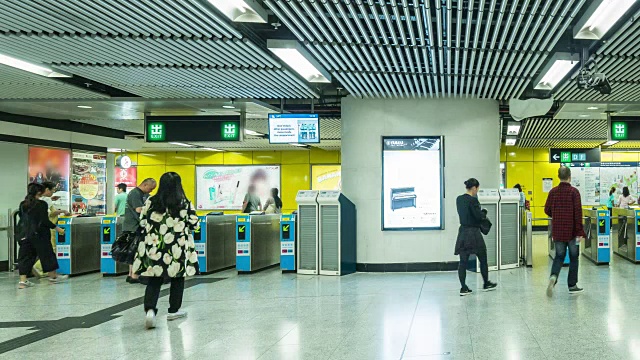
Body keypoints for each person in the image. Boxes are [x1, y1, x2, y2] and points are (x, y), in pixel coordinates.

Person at [132, 172, 199, 329]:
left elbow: (142, 223)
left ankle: (150, 310)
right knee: (177, 278)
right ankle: (173, 310)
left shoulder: (151, 202)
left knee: (154, 280)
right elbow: (195, 224)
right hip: (177, 248)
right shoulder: (184, 203)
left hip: (155, 247)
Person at [17, 183, 68, 289]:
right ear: (39, 192)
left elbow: (22, 218)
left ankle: (23, 281)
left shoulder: (23, 204)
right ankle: (52, 277)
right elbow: (44, 220)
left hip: (24, 234)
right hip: (39, 234)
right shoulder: (41, 204)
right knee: (47, 255)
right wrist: (57, 228)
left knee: (25, 257)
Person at [545, 166, 585, 296]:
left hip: (558, 230)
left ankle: (553, 277)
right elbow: (578, 213)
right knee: (574, 257)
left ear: (558, 176)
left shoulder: (553, 192)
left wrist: (555, 214)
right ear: (570, 177)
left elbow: (547, 210)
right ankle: (572, 285)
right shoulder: (574, 192)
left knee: (559, 256)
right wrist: (579, 231)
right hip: (572, 232)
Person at [454, 178, 497, 296]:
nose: (477, 191)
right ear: (474, 188)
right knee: (483, 258)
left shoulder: (459, 199)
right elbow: (478, 217)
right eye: (477, 189)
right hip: (473, 233)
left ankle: (463, 287)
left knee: (463, 261)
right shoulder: (473, 201)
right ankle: (486, 283)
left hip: (462, 232)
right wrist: (484, 212)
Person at [123, 178, 157, 283]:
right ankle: (134, 275)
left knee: (133, 250)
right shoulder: (135, 193)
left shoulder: (142, 194)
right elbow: (138, 209)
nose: (150, 191)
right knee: (135, 250)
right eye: (150, 189)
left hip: (137, 226)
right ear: (145, 185)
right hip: (133, 226)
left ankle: (132, 274)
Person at [33, 181, 69, 277]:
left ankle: (47, 272)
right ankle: (38, 267)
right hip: (50, 227)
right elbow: (50, 214)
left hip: (40, 228)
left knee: (47, 250)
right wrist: (63, 211)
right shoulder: (46, 200)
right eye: (52, 190)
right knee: (51, 250)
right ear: (47, 189)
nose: (53, 192)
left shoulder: (40, 199)